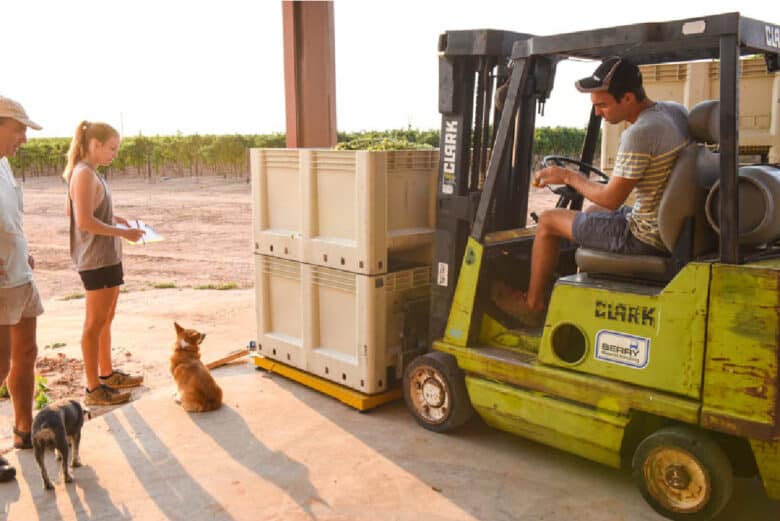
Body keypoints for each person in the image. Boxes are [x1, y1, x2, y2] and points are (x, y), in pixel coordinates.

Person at [493, 57, 690, 326]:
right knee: (592, 210)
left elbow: (611, 199)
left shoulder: (641, 133)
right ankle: (574, 289)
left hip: (643, 237)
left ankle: (533, 304)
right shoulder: (674, 112)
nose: (598, 112)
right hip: (661, 225)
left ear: (629, 98)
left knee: (549, 221)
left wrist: (567, 176)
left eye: (603, 105)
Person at [63, 121, 145, 406]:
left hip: (107, 257)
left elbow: (88, 212)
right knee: (94, 324)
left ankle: (107, 375)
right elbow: (83, 221)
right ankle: (93, 388)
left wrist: (115, 219)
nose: (115, 154)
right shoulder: (83, 174)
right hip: (96, 260)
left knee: (106, 319)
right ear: (94, 144)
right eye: (112, 148)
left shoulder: (91, 173)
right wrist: (124, 232)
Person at [0, 96, 43, 482]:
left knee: (26, 352)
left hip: (20, 277)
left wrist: (23, 252)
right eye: (19, 130)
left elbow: (9, 218)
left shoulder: (4, 166)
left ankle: (23, 430)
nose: (24, 139)